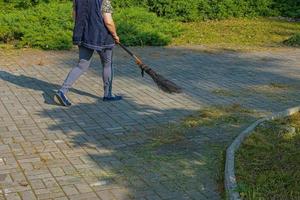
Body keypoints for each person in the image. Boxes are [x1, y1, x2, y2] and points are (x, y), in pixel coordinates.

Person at [55, 0, 122, 106]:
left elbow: (75, 16)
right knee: (107, 64)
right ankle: (108, 94)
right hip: (102, 36)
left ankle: (62, 91)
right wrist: (115, 35)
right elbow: (108, 21)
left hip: (83, 34)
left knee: (81, 65)